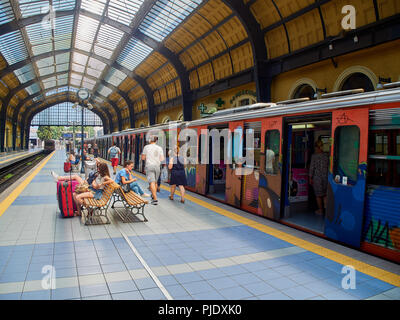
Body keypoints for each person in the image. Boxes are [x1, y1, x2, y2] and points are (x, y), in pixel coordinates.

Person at [141, 135, 164, 205]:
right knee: (155, 182)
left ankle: (155, 199)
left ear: (149, 140)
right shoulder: (159, 148)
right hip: (157, 166)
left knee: (152, 182)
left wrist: (148, 157)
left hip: (149, 166)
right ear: (156, 140)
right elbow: (162, 159)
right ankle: (153, 195)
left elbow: (143, 158)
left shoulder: (146, 147)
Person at [309, 139, 329, 215]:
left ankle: (320, 210)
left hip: (317, 178)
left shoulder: (314, 156)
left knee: (318, 195)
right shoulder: (326, 156)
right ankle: (326, 211)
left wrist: (310, 178)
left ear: (316, 147)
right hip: (325, 177)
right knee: (325, 194)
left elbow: (312, 168)